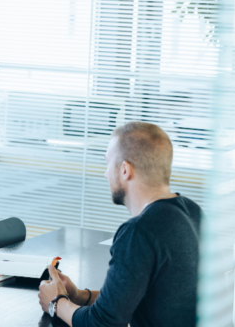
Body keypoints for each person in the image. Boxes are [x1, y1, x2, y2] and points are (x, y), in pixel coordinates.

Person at [38, 122, 202, 327]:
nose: (105, 173)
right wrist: (79, 296)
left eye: (108, 163)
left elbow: (103, 324)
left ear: (125, 170)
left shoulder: (140, 231)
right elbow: (139, 296)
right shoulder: (193, 212)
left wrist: (55, 302)